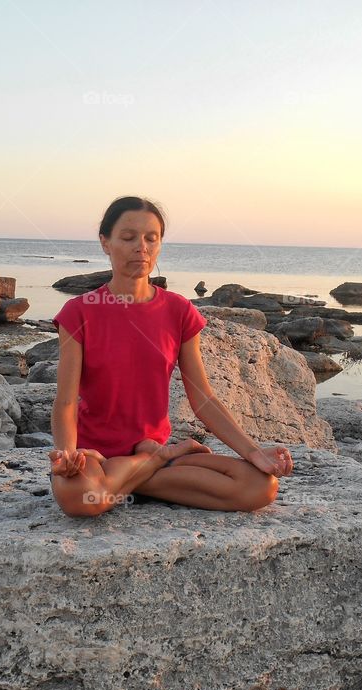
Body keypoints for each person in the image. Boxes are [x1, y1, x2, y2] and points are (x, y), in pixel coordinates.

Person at [48, 196, 294, 517]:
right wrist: (68, 455)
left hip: (151, 448)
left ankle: (131, 474)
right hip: (94, 455)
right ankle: (150, 463)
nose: (141, 247)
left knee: (260, 486)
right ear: (105, 242)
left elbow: (203, 398)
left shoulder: (178, 311)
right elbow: (66, 402)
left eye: (151, 238)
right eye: (128, 237)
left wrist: (254, 452)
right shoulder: (79, 312)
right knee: (79, 498)